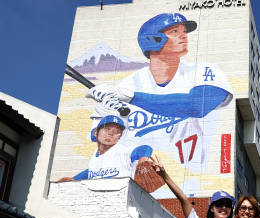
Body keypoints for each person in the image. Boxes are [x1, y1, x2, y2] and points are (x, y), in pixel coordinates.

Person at [86, 12, 233, 194]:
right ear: (152, 39)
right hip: (133, 189)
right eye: (174, 30)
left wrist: (130, 96)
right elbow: (98, 140)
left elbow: (197, 105)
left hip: (188, 190)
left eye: (184, 31)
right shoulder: (124, 86)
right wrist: (104, 107)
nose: (183, 35)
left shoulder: (204, 70)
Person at [58, 115, 152, 182]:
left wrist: (143, 161)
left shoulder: (122, 150)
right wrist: (74, 179)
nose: (111, 134)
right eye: (107, 129)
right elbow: (91, 171)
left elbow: (145, 148)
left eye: (116, 131)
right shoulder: (96, 156)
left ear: (119, 136)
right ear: (96, 132)